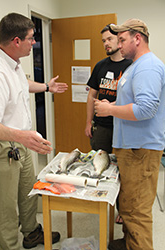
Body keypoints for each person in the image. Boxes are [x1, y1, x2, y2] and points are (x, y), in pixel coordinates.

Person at [0, 13, 68, 250]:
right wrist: (20, 136)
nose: (34, 43)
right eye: (31, 38)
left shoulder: (13, 64)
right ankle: (9, 246)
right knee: (6, 205)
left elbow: (23, 86)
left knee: (28, 193)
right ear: (16, 41)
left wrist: (46, 87)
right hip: (5, 147)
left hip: (21, 143)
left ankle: (31, 232)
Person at [94, 19, 165, 250]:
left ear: (137, 39)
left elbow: (146, 109)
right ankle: (129, 243)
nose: (119, 44)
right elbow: (132, 102)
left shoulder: (148, 67)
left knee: (137, 212)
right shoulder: (135, 65)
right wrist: (113, 103)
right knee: (128, 205)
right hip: (131, 150)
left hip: (140, 151)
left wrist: (110, 109)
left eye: (122, 39)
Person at [85, 24, 132, 224]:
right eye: (103, 40)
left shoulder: (131, 66)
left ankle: (123, 210)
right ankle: (100, 204)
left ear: (119, 40)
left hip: (124, 127)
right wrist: (88, 121)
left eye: (109, 39)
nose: (106, 43)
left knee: (124, 170)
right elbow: (91, 94)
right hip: (101, 126)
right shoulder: (100, 66)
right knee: (100, 166)